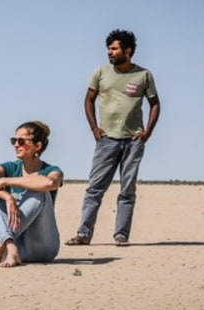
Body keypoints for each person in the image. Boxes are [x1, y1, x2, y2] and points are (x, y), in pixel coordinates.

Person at [66, 29, 160, 247]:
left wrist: (147, 133)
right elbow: (88, 99)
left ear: (127, 51)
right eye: (108, 48)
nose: (110, 52)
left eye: (114, 48)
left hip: (133, 141)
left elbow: (155, 104)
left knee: (127, 189)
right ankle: (83, 234)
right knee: (95, 188)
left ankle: (121, 235)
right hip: (106, 140)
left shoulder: (143, 75)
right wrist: (94, 129)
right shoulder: (101, 72)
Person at [0, 121, 63, 268]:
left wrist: (4, 181)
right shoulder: (11, 167)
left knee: (40, 191)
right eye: (14, 140)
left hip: (40, 248)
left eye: (21, 141)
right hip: (7, 248)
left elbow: (49, 183)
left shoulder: (51, 170)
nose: (15, 145)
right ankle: (9, 246)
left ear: (37, 146)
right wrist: (7, 197)